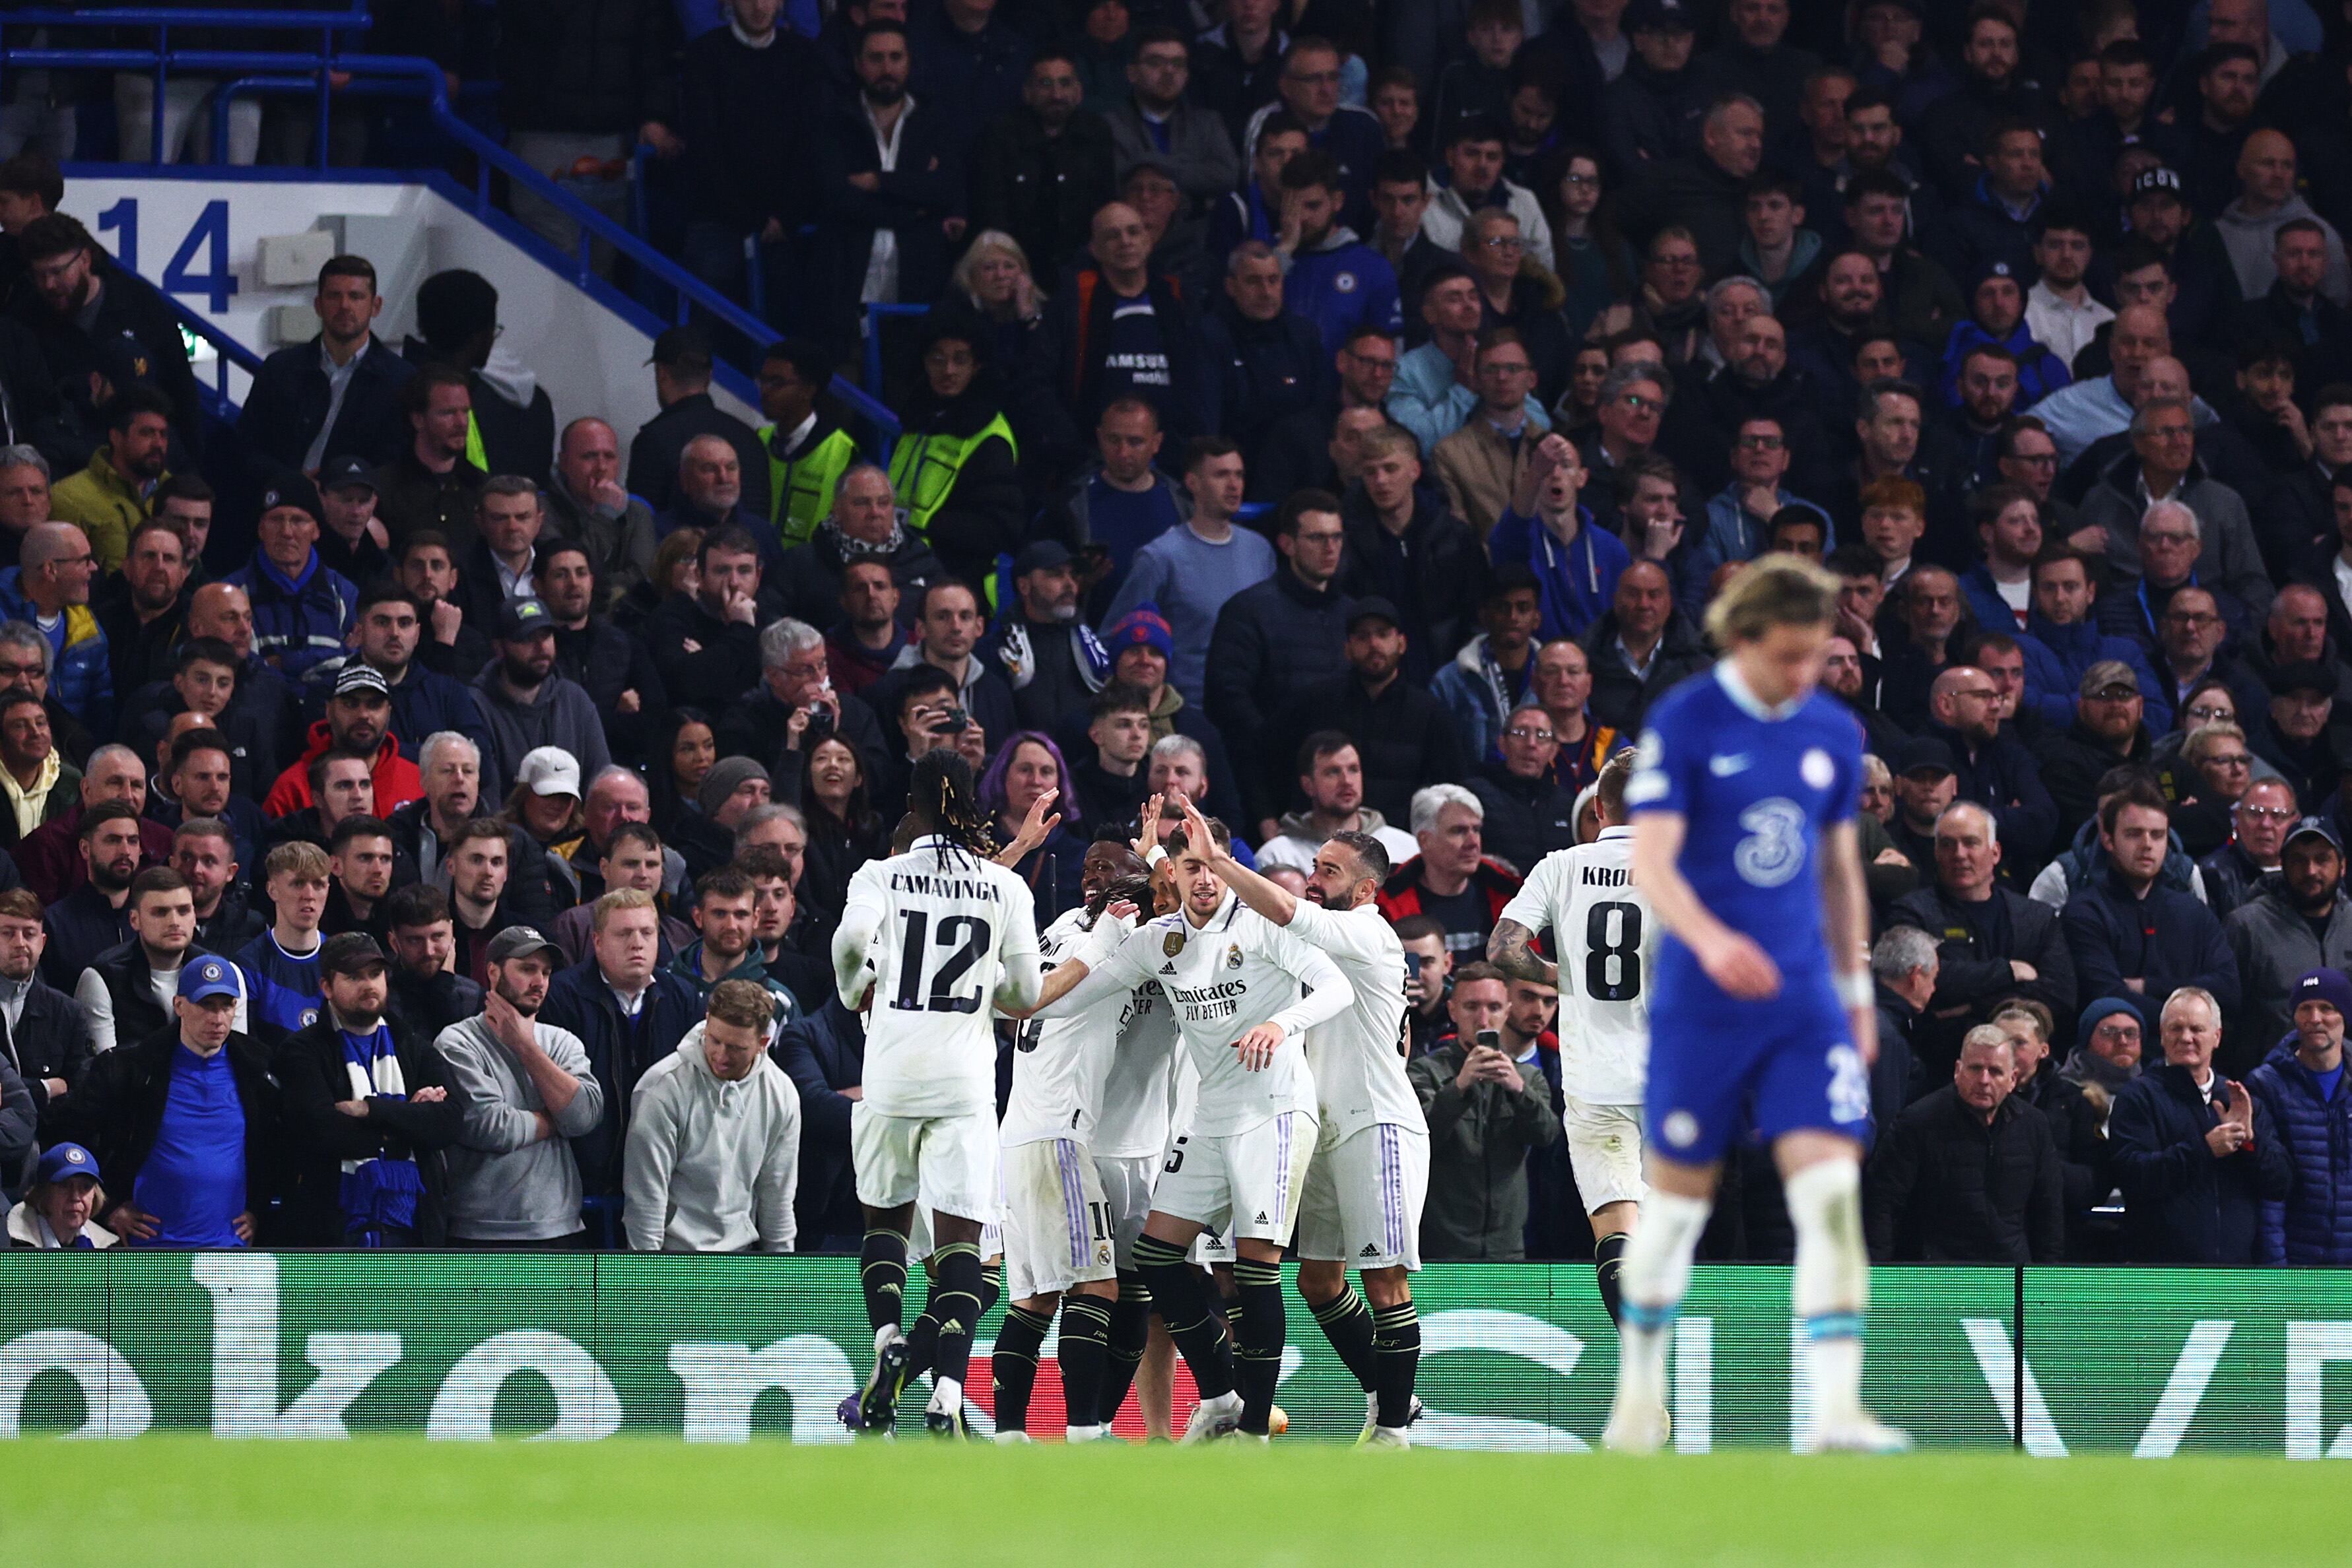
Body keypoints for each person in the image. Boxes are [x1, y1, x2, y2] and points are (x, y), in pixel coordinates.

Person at [1603, 555, 1903, 1453]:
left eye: (1816, 656)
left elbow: (1837, 867)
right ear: (1741, 640)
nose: (1803, 675)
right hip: (1701, 1002)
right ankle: (1635, 1398)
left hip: (1803, 999)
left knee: (1829, 1194)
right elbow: (1648, 861)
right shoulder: (1685, 720)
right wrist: (1710, 939)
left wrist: (1853, 988)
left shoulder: (1831, 731)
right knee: (1677, 1212)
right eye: (1787, 656)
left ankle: (1835, 1410)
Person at [1017, 800, 1345, 1443]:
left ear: (1227, 869)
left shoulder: (1262, 925)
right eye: (1187, 867)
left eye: (1210, 866)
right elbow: (1068, 994)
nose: (1198, 879)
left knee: (1246, 1272)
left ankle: (1247, 1420)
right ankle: (1206, 1402)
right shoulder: (1150, 941)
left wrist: (1281, 1025)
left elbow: (1333, 987)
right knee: (1152, 1267)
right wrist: (1023, 996)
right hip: (1157, 1131)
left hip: (1267, 1115)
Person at [832, 751, 1044, 1437]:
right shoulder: (1003, 889)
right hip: (963, 1084)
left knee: (886, 1226)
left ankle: (887, 1336)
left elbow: (852, 940)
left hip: (891, 1078)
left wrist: (850, 984)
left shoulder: (880, 875)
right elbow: (1025, 993)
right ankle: (948, 1390)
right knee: (962, 1243)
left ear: (914, 803)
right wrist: (990, 995)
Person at [1490, 748, 1654, 1323]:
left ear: (1600, 807)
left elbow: (1503, 949)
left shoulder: (1559, 866)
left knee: (1616, 1231)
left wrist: (1559, 973)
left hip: (1594, 1080)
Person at [44, 954, 273, 1249]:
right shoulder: (131, 1068)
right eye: (206, 1005)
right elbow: (67, 1134)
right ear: (179, 1005)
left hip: (230, 1249)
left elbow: (276, 1146)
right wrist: (108, 1206)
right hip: (149, 1247)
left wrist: (258, 1209)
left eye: (226, 1006)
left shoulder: (258, 1067)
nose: (217, 1019)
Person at [274, 932, 465, 1247]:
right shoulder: (301, 1051)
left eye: (375, 974)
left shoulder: (414, 1046)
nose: (369, 985)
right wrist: (411, 1121)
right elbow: (322, 1131)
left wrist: (370, 1110)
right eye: (353, 977)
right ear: (327, 988)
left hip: (414, 1230)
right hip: (332, 1233)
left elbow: (450, 1122)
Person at [435, 925, 605, 1248]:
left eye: (546, 972)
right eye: (527, 969)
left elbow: (585, 1117)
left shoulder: (561, 1042)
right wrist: (558, 1117)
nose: (539, 982)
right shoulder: (457, 1042)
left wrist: (525, 1047)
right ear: (493, 972)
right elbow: (492, 1127)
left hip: (560, 1227)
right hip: (481, 1230)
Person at [541, 887, 708, 1206]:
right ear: (598, 941)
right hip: (581, 1178)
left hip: (666, 1175)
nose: (637, 943)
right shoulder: (562, 997)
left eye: (647, 932)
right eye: (624, 933)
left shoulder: (684, 998)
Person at [2108, 985, 2290, 1264]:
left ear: (2216, 1037)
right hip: (2158, 1272)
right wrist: (2205, 1150)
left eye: (2197, 1029)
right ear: (2163, 1035)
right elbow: (2133, 1177)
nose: (2186, 1038)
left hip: (2234, 1272)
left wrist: (2250, 1142)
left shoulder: (2240, 1100)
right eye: (2176, 1029)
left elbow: (2279, 1184)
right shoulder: (2138, 1097)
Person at [623, 977, 799, 1255]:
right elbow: (646, 1197)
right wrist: (648, 1276)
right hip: (671, 1255)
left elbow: (777, 1195)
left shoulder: (782, 1094)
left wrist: (782, 1270)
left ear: (763, 1042)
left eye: (736, 1048)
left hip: (741, 1255)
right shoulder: (661, 1088)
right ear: (706, 1022)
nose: (721, 1055)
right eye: (715, 1040)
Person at [1864, 1024, 2066, 1262]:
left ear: (2012, 1080)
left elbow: (2048, 1212)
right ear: (1958, 1071)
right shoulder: (1917, 1122)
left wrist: (2044, 1281)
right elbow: (1883, 1204)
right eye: (1975, 1068)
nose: (1984, 1080)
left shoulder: (2034, 1126)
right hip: (1935, 1276)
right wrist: (1879, 1278)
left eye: (1995, 1071)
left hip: (2009, 1273)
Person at [1405, 960, 1562, 1260]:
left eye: (1493, 1007)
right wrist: (1459, 1087)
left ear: (1507, 1011)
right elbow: (1421, 1142)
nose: (1483, 1019)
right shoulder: (1426, 1072)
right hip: (1438, 1247)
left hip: (1508, 1246)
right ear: (1452, 1011)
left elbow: (1547, 1136)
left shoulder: (1528, 1078)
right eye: (1471, 1007)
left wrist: (1518, 1089)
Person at [1100, 436, 1273, 706]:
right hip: (1185, 711)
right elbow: (1115, 636)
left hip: (1251, 707)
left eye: (1239, 475)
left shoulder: (1260, 551)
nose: (1234, 485)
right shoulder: (1161, 557)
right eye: (1221, 475)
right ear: (1193, 483)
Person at [2064, 782, 2240, 1018]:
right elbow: (2106, 996)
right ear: (2108, 840)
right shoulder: (2085, 911)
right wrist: (2186, 1015)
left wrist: (2148, 987)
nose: (2147, 845)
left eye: (2157, 835)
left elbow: (2228, 989)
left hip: (2190, 1049)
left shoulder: (2193, 911)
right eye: (2134, 834)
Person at [236, 255, 414, 482]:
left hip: (358, 506)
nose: (345, 306)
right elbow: (247, 446)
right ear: (318, 305)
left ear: (375, 306)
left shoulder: (400, 380)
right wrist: (294, 483)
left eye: (356, 296)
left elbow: (396, 462)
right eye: (334, 296)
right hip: (282, 501)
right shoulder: (280, 369)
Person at [2223, 818, 2352, 1069]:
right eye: (2299, 860)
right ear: (2282, 865)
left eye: (2322, 859)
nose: (2311, 870)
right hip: (2269, 1086)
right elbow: (2225, 1019)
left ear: (2343, 866)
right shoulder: (2247, 926)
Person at [2247, 967, 2352, 1265]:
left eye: (2327, 1008)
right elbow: (2271, 1193)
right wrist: (2278, 1271)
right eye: (2305, 1008)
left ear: (2344, 1016)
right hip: (2297, 1263)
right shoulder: (2268, 1085)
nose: (2315, 1018)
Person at [467, 596, 611, 801]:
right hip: (503, 831)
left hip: (573, 829)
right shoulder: (476, 706)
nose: (541, 647)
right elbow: (487, 799)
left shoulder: (575, 700)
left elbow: (600, 783)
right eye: (527, 638)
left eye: (546, 636)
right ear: (499, 647)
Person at [625, 325, 768, 522]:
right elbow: (761, 517)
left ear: (662, 373)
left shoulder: (653, 440)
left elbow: (641, 525)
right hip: (748, 550)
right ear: (709, 375)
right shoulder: (750, 438)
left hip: (679, 552)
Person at [1374, 783, 1523, 959]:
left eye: (1476, 830)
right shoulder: (1385, 903)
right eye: (1459, 831)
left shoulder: (1508, 892)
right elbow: (1398, 975)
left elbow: (1528, 972)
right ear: (1425, 840)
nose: (1473, 842)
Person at [263, 664, 424, 821]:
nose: (363, 715)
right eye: (351, 704)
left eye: (374, 705)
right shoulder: (293, 786)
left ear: (389, 712)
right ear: (329, 711)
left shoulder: (418, 782)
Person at [48, 383, 170, 576]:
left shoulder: (173, 492)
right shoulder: (69, 498)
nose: (158, 444)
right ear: (116, 437)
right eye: (146, 433)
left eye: (163, 434)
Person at [0, 521, 106, 736]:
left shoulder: (88, 627)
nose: (94, 567)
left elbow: (103, 701)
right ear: (51, 569)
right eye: (84, 560)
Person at [543, 417, 658, 601]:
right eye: (589, 457)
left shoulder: (638, 511)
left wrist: (594, 586)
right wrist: (606, 516)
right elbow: (566, 575)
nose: (602, 467)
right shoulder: (542, 511)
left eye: (609, 457)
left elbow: (641, 577)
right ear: (564, 462)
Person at [40, 803, 144, 992]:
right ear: (85, 849)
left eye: (133, 841)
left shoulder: (155, 916)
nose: (125, 851)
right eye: (113, 840)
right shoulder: (56, 923)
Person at [380, 884, 484, 1045]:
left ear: (452, 932)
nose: (428, 951)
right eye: (415, 940)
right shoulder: (380, 995)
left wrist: (443, 989)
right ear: (394, 942)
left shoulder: (474, 998)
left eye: (438, 937)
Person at [6, 1141, 114, 1249]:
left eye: (86, 1187)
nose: (75, 1197)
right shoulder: (9, 1241)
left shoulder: (109, 1246)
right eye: (65, 1185)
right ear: (43, 1192)